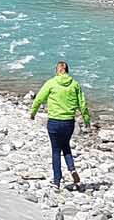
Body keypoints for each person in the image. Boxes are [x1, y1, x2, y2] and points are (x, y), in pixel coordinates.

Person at [29, 60, 90, 190]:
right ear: (67, 71)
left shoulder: (51, 83)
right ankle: (72, 169)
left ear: (57, 71)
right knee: (66, 146)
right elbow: (82, 104)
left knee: (56, 151)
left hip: (54, 122)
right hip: (68, 122)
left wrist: (33, 112)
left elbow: (39, 98)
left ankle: (57, 181)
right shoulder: (75, 85)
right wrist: (86, 120)